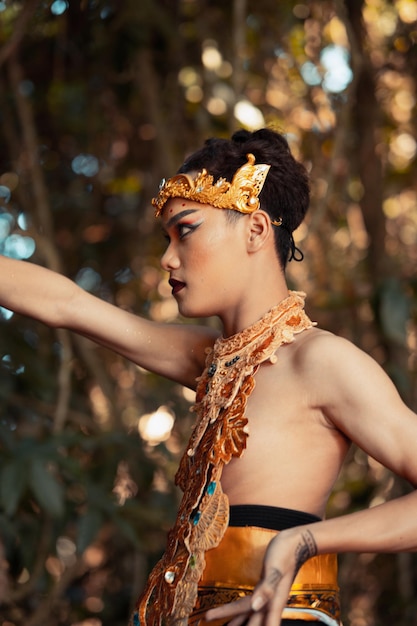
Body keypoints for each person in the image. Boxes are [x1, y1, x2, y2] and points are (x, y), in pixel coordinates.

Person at [0, 128, 416, 626]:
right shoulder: (211, 361)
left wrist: (305, 541)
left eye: (186, 230)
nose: (167, 259)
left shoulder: (323, 361)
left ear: (256, 231)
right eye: (167, 238)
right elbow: (68, 305)